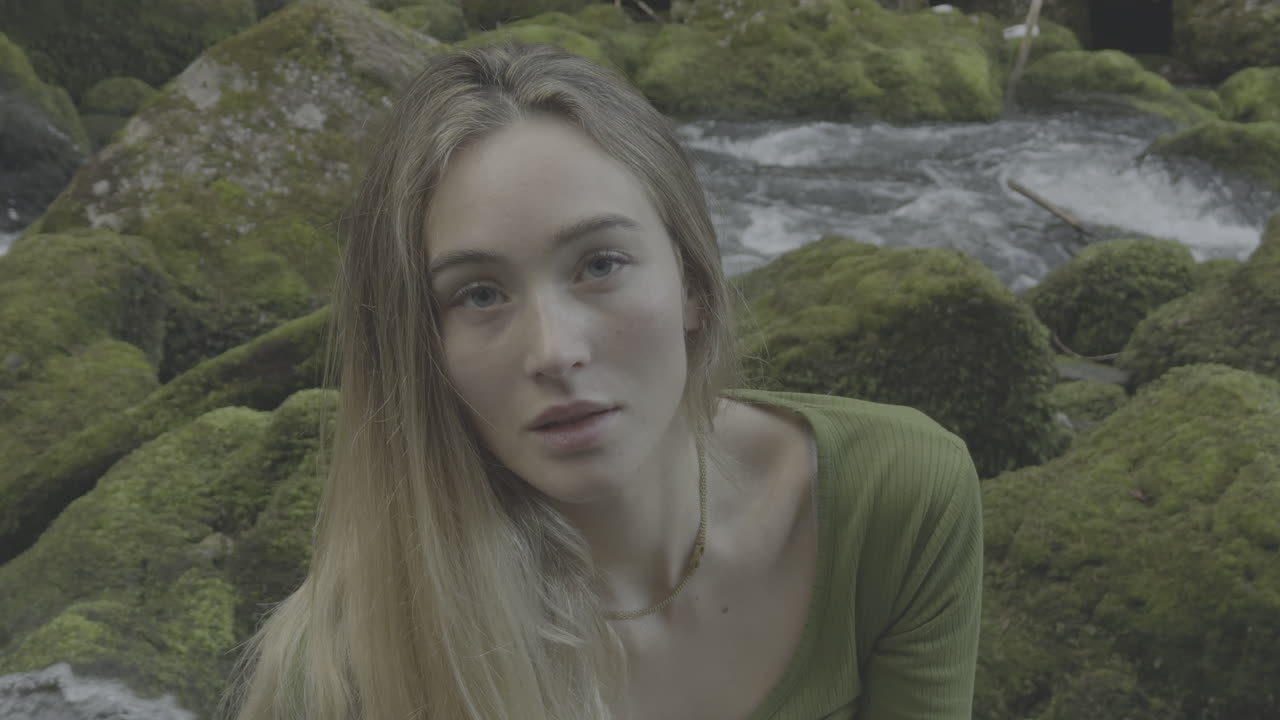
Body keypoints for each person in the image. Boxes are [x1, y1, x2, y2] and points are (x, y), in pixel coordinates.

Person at [220, 42, 983, 720]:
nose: (554, 351)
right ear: (422, 348)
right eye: (479, 294)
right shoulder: (354, 665)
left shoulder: (893, 500)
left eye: (600, 264)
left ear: (693, 282)